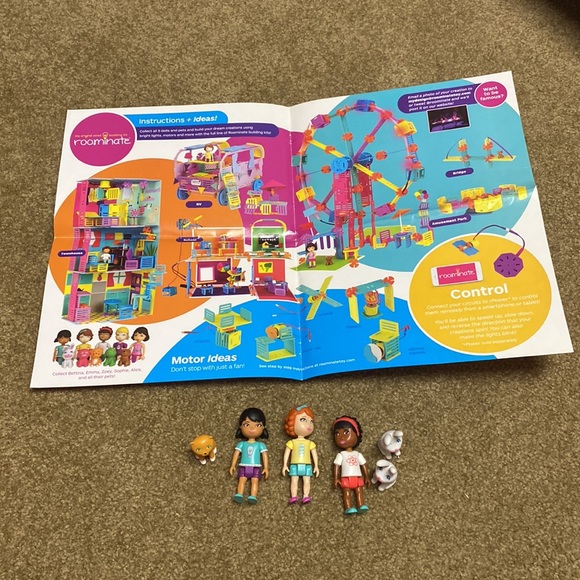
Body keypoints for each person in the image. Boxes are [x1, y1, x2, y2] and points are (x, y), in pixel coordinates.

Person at [229, 408, 269, 504]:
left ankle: (253, 496)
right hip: (243, 466)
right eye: (247, 425)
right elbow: (236, 454)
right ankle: (239, 494)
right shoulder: (241, 444)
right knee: (241, 480)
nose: (252, 429)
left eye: (257, 425)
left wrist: (266, 468)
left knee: (255, 481)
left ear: (263, 427)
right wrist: (232, 465)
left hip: (256, 467)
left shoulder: (260, 445)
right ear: (241, 426)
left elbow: (264, 456)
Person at [332, 415, 370, 515]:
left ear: (356, 434)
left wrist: (366, 476)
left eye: (346, 432)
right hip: (345, 478)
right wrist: (336, 478)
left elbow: (363, 465)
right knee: (346, 494)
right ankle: (348, 507)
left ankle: (361, 505)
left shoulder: (358, 454)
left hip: (358, 477)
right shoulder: (341, 455)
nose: (341, 437)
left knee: (359, 492)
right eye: (337, 433)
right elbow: (336, 466)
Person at [282, 405, 319, 505]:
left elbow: (314, 455)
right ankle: (293, 496)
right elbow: (287, 453)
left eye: (311, 421)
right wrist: (284, 465)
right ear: (292, 423)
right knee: (294, 480)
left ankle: (306, 496)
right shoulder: (292, 442)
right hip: (294, 464)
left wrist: (316, 466)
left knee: (307, 481)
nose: (309, 424)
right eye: (303, 420)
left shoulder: (310, 443)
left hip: (307, 465)